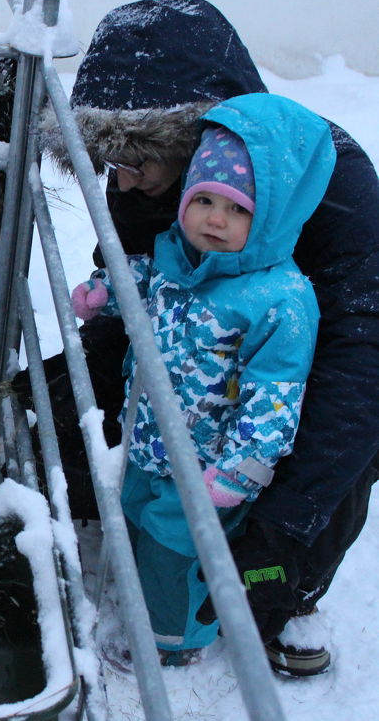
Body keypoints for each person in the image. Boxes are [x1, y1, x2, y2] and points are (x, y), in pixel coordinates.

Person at [0, 0, 379, 677]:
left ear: (195, 137)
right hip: (199, 372)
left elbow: (363, 367)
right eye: (114, 161)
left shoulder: (331, 187)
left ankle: (299, 594)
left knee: (298, 524)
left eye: (139, 159)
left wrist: (285, 525)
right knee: (73, 410)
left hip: (292, 384)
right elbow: (136, 286)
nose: (124, 180)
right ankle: (140, 533)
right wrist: (94, 359)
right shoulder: (148, 177)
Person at [71, 92, 334, 664]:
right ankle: (148, 603)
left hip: (207, 466)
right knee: (139, 518)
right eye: (205, 200)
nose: (215, 219)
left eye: (238, 210)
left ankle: (170, 643)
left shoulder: (279, 301)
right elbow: (143, 281)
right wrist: (106, 291)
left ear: (273, 217)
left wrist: (240, 471)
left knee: (174, 548)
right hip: (148, 435)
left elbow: (276, 397)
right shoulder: (177, 255)